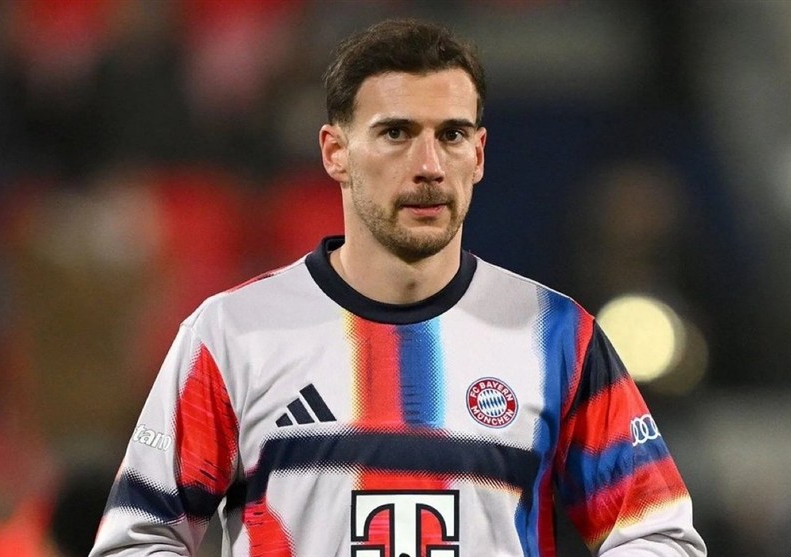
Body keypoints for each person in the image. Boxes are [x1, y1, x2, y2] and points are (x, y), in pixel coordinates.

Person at [90, 19, 707, 556]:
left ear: (480, 155)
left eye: (452, 135)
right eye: (396, 133)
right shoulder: (234, 334)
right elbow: (139, 538)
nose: (429, 166)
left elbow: (658, 535)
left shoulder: (556, 337)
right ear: (335, 151)